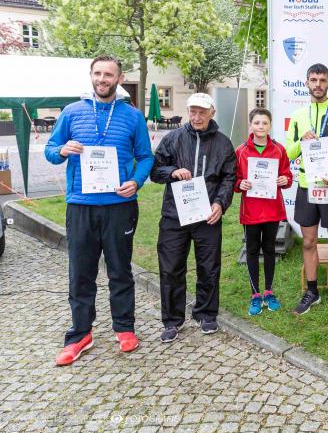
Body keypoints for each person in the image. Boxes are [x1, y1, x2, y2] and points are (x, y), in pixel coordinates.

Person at [45, 55, 154, 366]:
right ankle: (80, 334)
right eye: (97, 73)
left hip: (120, 206)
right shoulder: (71, 112)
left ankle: (124, 327)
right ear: (91, 75)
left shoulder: (132, 116)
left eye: (108, 74)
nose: (102, 79)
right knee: (81, 272)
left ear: (119, 79)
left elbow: (146, 157)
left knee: (120, 269)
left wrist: (136, 181)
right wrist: (62, 150)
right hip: (81, 205)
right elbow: (51, 150)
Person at [150, 92, 236, 343]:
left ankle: (206, 313)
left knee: (209, 267)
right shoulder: (173, 138)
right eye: (193, 111)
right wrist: (173, 171)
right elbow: (155, 171)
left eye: (202, 112)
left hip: (207, 216)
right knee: (170, 268)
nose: (197, 117)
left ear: (212, 113)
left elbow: (229, 177)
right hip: (174, 215)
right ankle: (172, 320)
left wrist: (220, 203)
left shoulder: (223, 143)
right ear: (188, 112)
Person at [285, 63, 328, 317]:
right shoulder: (297, 115)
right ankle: (312, 291)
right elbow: (288, 153)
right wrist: (300, 140)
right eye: (313, 80)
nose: (318, 84)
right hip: (307, 185)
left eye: (322, 80)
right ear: (307, 83)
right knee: (309, 241)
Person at [234, 108, 293, 315]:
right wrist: (240, 184)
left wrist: (285, 179)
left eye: (265, 123)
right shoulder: (241, 151)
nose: (261, 126)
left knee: (269, 249)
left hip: (272, 210)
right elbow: (234, 179)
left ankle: (268, 291)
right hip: (250, 211)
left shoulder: (279, 149)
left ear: (270, 125)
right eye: (257, 123)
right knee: (252, 250)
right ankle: (255, 294)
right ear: (251, 125)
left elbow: (287, 176)